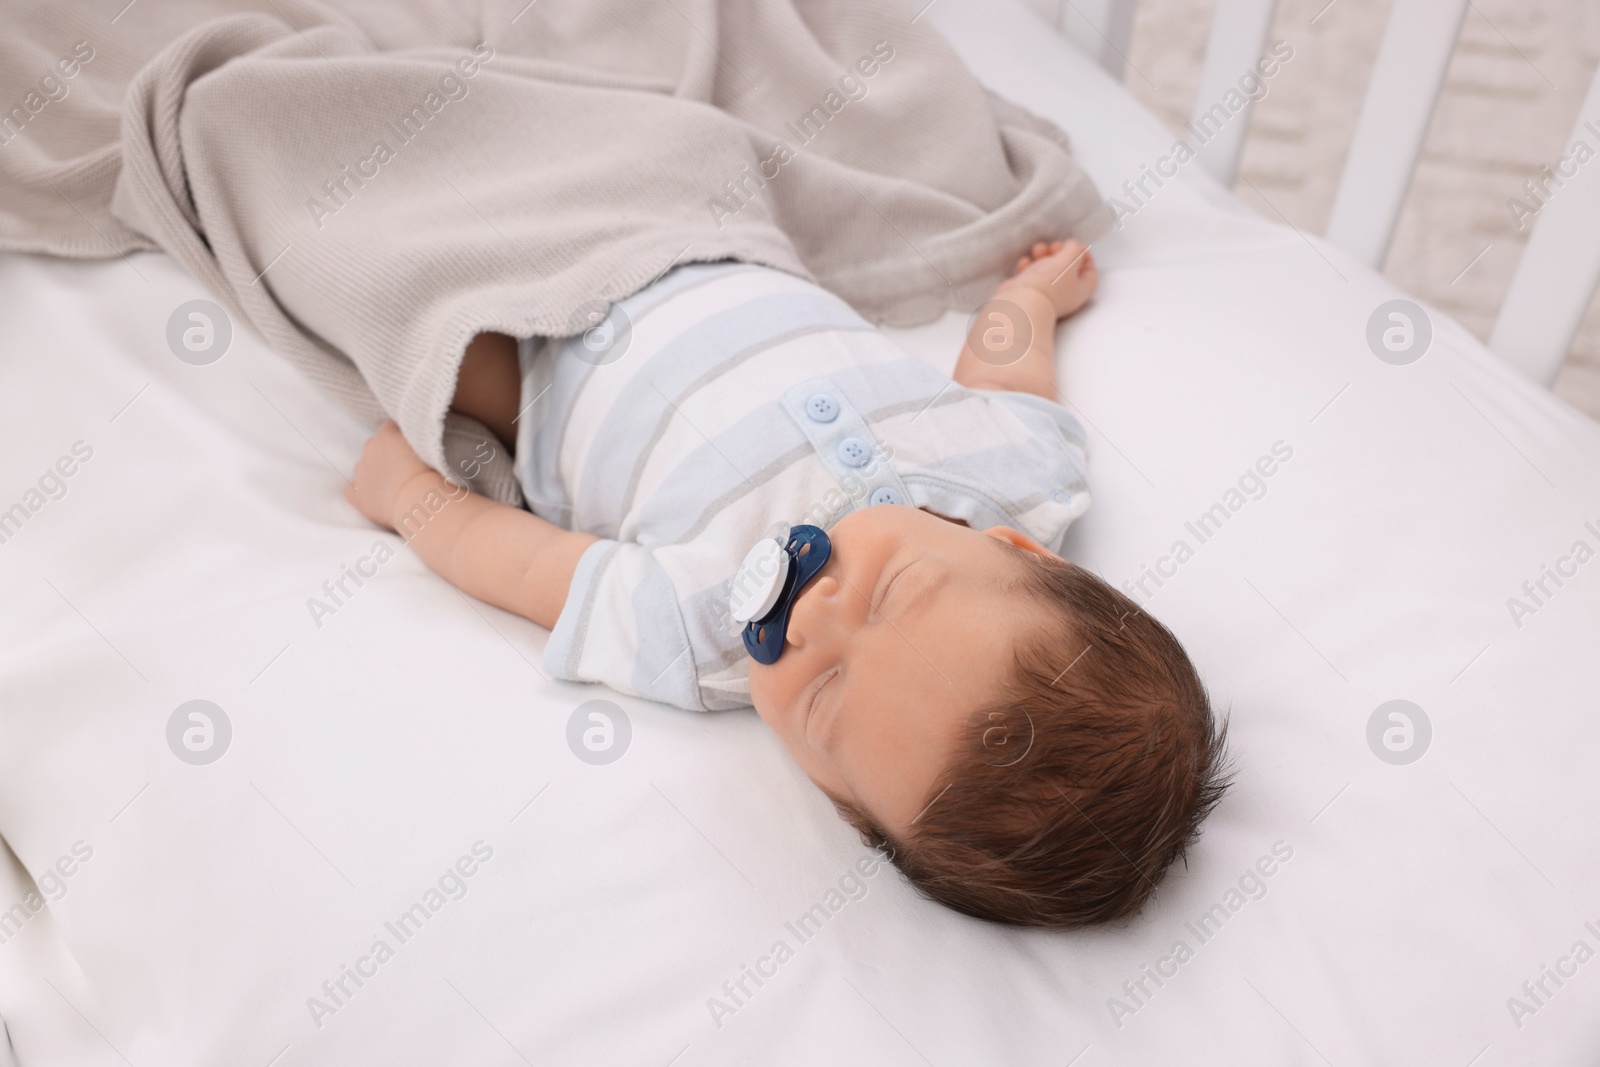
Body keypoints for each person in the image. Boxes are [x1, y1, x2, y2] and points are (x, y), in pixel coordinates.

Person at [344, 239, 1230, 927]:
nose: (816, 618)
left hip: (544, 363)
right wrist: (1028, 300)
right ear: (1022, 552)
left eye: (824, 694)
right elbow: (1003, 371)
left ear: (842, 803)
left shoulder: (692, 632)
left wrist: (412, 497)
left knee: (408, 309)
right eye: (890, 593)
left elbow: (531, 563)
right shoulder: (1024, 472)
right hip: (720, 251)